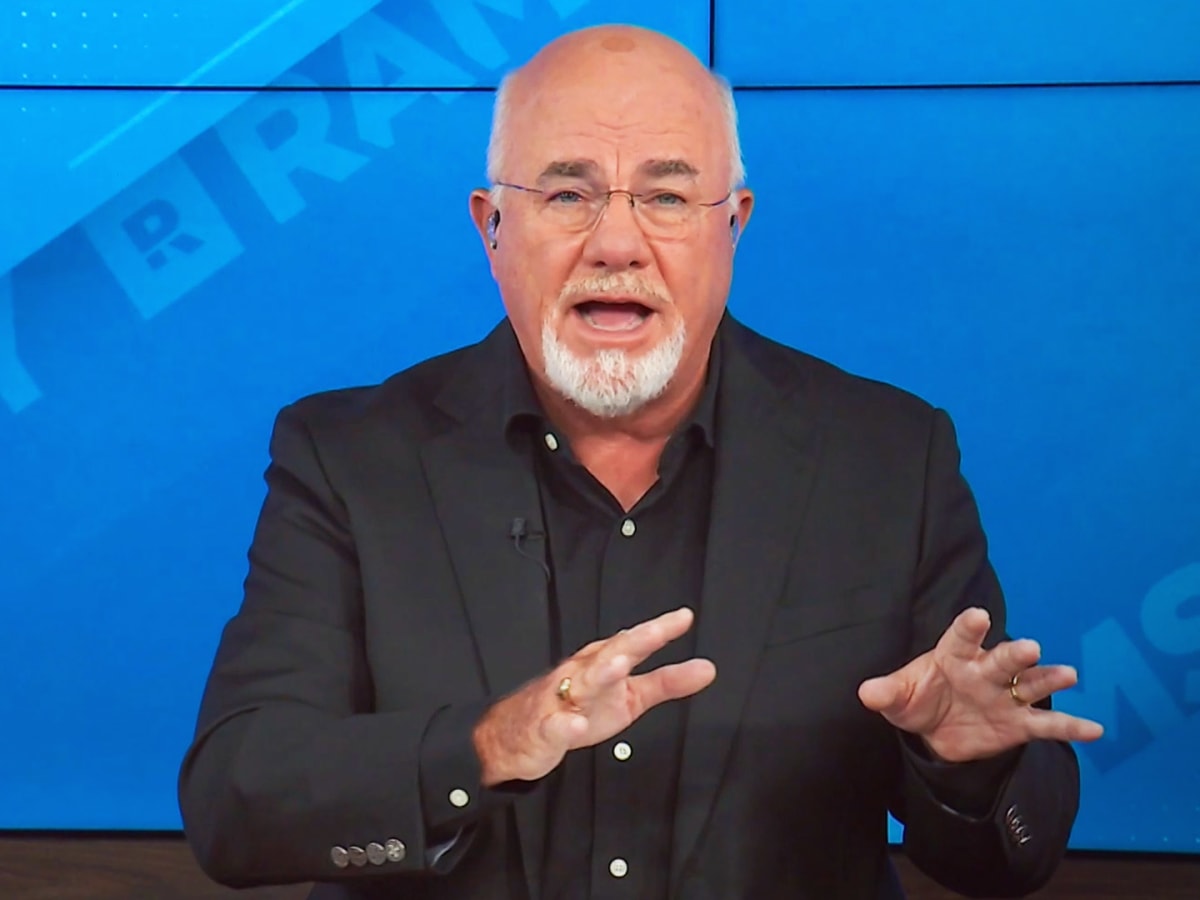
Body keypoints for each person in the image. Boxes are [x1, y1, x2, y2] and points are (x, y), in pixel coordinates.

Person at [178, 24, 1104, 900]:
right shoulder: (348, 459)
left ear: (732, 224)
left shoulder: (888, 458)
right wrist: (488, 745)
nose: (616, 245)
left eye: (666, 197)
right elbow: (236, 802)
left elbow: (1008, 862)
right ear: (492, 227)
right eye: (567, 194)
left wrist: (968, 764)